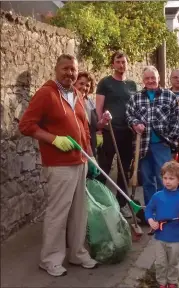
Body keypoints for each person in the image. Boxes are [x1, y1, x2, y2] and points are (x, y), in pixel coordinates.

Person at [18, 54, 98, 277]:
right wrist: (54, 139)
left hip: (81, 161)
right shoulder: (46, 94)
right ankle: (50, 259)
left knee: (79, 213)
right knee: (58, 212)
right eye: (65, 69)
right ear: (56, 69)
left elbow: (84, 128)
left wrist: (90, 156)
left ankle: (77, 253)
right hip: (60, 164)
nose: (70, 73)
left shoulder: (77, 94)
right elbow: (26, 125)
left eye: (73, 69)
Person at [126, 66, 179, 206]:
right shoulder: (136, 98)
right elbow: (129, 115)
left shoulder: (169, 96)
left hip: (162, 145)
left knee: (165, 179)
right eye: (147, 78)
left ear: (159, 78)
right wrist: (135, 123)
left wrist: (169, 141)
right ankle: (151, 210)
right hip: (143, 146)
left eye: (153, 78)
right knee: (147, 180)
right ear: (143, 80)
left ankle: (166, 209)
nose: (150, 81)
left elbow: (175, 121)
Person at [95, 51, 138, 218]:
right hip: (109, 132)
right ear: (113, 64)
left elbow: (134, 108)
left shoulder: (132, 85)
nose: (121, 65)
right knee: (104, 168)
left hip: (127, 133)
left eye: (124, 62)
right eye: (118, 62)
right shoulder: (105, 83)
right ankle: (97, 202)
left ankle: (121, 203)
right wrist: (100, 126)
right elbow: (99, 107)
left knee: (124, 169)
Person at [145, 161, 179, 288]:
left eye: (171, 178)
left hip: (176, 238)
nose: (167, 181)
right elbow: (148, 210)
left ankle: (172, 282)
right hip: (160, 237)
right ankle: (162, 283)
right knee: (160, 263)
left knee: (173, 263)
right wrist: (151, 220)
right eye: (165, 178)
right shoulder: (157, 196)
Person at [74, 72, 112, 158]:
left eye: (87, 85)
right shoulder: (70, 101)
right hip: (76, 146)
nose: (84, 88)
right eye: (81, 83)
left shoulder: (90, 102)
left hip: (90, 146)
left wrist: (104, 120)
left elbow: (95, 126)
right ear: (74, 83)